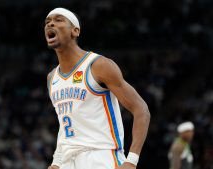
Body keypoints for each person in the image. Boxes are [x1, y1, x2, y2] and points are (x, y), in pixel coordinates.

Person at [45, 8, 150, 169]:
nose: (50, 23)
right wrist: (56, 161)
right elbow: (65, 122)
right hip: (68, 160)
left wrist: (132, 161)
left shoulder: (98, 65)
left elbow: (141, 109)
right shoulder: (52, 77)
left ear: (75, 31)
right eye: (47, 21)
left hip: (100, 157)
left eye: (58, 20)